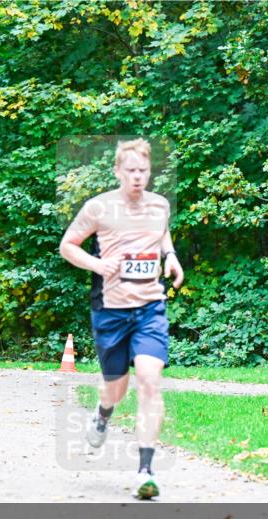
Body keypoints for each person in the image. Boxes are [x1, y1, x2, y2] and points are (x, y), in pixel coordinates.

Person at [59, 138, 184, 499]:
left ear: (149, 172)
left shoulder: (159, 206)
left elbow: (161, 233)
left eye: (143, 171)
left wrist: (171, 255)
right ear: (117, 171)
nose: (137, 177)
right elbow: (68, 245)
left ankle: (146, 472)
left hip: (149, 308)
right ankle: (102, 413)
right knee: (117, 387)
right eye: (130, 171)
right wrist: (98, 264)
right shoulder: (98, 208)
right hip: (111, 311)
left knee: (149, 380)